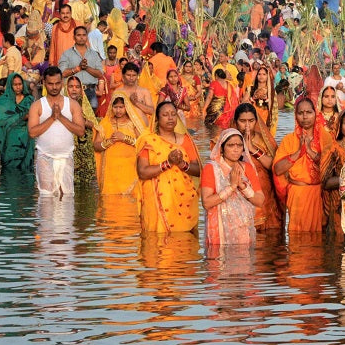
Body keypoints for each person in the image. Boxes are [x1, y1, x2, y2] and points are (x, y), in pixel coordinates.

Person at [136, 101, 202, 232]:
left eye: (173, 114)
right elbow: (142, 172)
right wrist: (168, 164)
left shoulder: (186, 140)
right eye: (165, 115)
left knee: (185, 243)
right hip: (156, 200)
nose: (170, 118)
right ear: (157, 118)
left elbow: (199, 170)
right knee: (157, 241)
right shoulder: (149, 141)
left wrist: (181, 164)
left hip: (184, 199)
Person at [272, 96, 334, 233]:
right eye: (300, 113)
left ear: (315, 113)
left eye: (309, 112)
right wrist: (298, 153)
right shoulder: (289, 140)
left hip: (319, 195)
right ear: (296, 115)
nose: (305, 116)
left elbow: (330, 167)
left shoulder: (326, 138)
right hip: (297, 195)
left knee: (319, 240)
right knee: (297, 239)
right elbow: (277, 169)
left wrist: (310, 152)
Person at [201, 128, 265, 246]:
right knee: (219, 261)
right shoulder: (211, 169)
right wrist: (231, 187)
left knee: (243, 261)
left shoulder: (247, 168)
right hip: (219, 229)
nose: (236, 149)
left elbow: (260, 201)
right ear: (222, 148)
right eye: (231, 145)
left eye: (239, 145)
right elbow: (206, 202)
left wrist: (242, 186)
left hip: (243, 228)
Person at [27, 67, 85, 197]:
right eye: (50, 83)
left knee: (67, 199)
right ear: (44, 83)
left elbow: (81, 131)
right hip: (44, 157)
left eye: (57, 83)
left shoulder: (72, 104)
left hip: (66, 156)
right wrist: (52, 118)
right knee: (46, 199)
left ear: (62, 83)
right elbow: (32, 133)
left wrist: (61, 117)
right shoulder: (37, 105)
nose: (54, 87)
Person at [234, 103, 283, 231]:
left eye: (251, 121)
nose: (247, 125)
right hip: (237, 197)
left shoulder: (265, 140)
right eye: (242, 121)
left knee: (267, 240)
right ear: (235, 122)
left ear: (256, 121)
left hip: (264, 198)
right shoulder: (225, 141)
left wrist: (251, 149)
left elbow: (275, 167)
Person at [94, 94, 145, 197]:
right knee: (110, 201)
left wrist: (125, 138)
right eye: (115, 107)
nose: (118, 110)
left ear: (126, 107)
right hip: (110, 170)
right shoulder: (105, 123)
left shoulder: (133, 123)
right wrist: (109, 141)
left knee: (130, 200)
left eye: (121, 107)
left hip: (129, 168)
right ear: (111, 107)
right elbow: (96, 145)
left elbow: (142, 143)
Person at [321, 108, 345, 238]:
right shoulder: (333, 148)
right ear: (340, 125)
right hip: (339, 204)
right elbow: (325, 182)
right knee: (338, 244)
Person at [0, 73, 35, 172]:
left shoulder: (29, 100)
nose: (18, 87)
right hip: (9, 142)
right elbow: (0, 122)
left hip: (26, 140)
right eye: (15, 84)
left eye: (20, 84)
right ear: (10, 85)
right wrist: (23, 116)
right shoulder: (4, 101)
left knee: (27, 171)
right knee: (9, 173)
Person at [58, 25, 104, 111]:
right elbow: (63, 73)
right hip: (72, 92)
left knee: (90, 120)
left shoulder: (94, 54)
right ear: (74, 37)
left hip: (90, 91)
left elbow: (100, 73)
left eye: (84, 35)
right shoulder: (67, 54)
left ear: (87, 37)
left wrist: (86, 68)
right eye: (79, 35)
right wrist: (78, 68)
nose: (81, 37)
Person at [65, 75, 100, 187]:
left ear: (81, 89)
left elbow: (94, 125)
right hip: (67, 148)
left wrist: (81, 120)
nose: (74, 89)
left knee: (86, 185)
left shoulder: (84, 104)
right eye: (71, 86)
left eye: (77, 87)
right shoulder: (62, 105)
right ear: (66, 88)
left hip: (85, 150)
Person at [244, 65, 278, 137]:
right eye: (259, 74)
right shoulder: (250, 89)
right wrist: (253, 98)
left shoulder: (271, 91)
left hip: (265, 120)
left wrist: (266, 99)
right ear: (256, 76)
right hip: (252, 119)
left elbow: (274, 110)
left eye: (264, 74)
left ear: (267, 76)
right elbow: (243, 104)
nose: (261, 76)